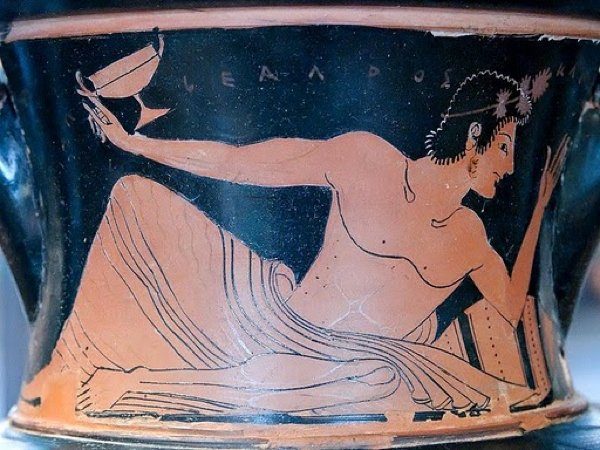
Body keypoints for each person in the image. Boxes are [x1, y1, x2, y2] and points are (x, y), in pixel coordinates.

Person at [21, 71, 567, 421]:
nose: (509, 166)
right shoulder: (367, 160)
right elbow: (244, 163)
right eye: (504, 147)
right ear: (473, 138)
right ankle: (74, 373)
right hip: (277, 321)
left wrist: (538, 208)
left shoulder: (471, 236)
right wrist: (135, 143)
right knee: (136, 199)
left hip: (364, 364)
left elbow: (509, 306)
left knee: (369, 381)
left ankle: (137, 387)